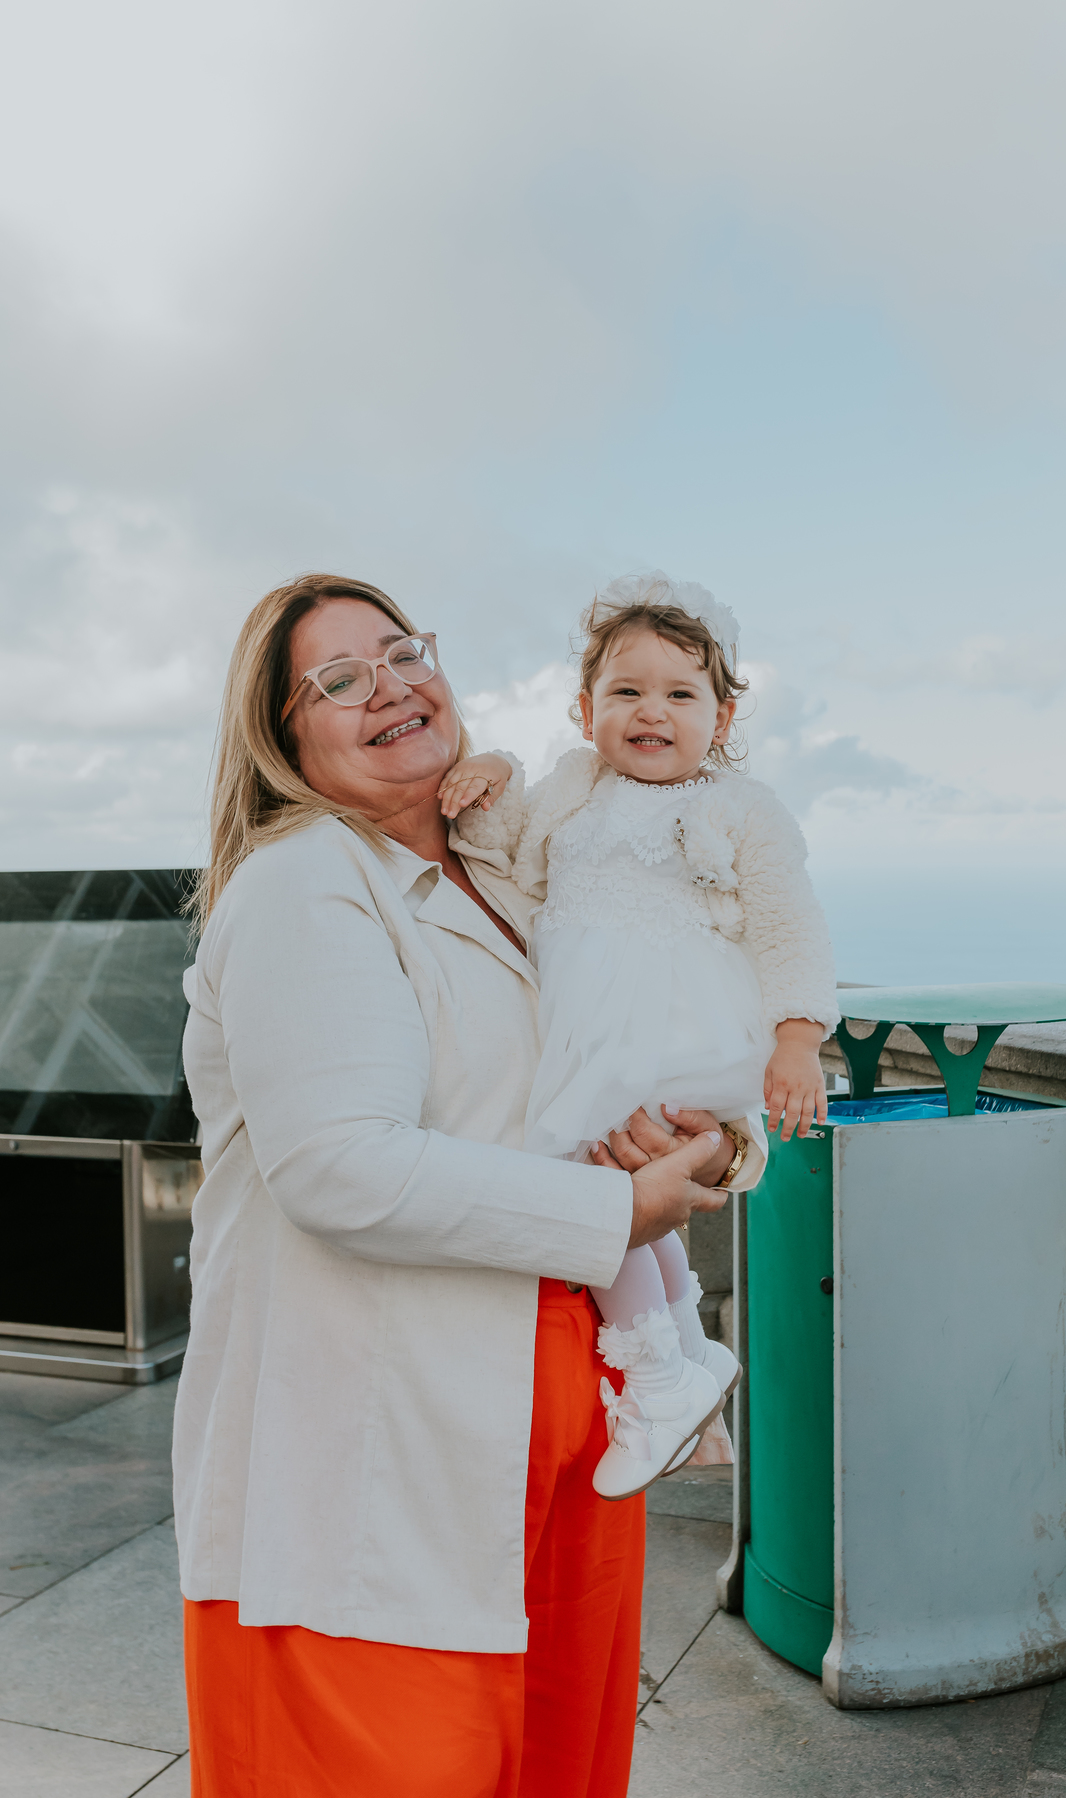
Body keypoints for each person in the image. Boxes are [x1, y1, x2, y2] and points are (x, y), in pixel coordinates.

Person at [174, 573, 763, 1798]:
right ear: (284, 738)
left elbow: (641, 1038)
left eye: (402, 650)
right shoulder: (305, 886)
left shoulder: (516, 871)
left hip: (556, 1439)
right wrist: (622, 1211)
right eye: (338, 679)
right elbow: (339, 1164)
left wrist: (707, 1138)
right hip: (382, 1468)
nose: (390, 684)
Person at [442, 572, 840, 1500]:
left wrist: (796, 1037)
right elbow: (495, 845)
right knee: (623, 1197)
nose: (650, 711)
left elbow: (789, 924)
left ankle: (657, 1381)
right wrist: (495, 767)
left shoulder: (744, 809)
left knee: (595, 1189)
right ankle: (686, 1360)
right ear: (584, 711)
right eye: (625, 691)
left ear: (724, 717)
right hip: (583, 1025)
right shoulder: (573, 787)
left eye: (679, 693)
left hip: (669, 1027)